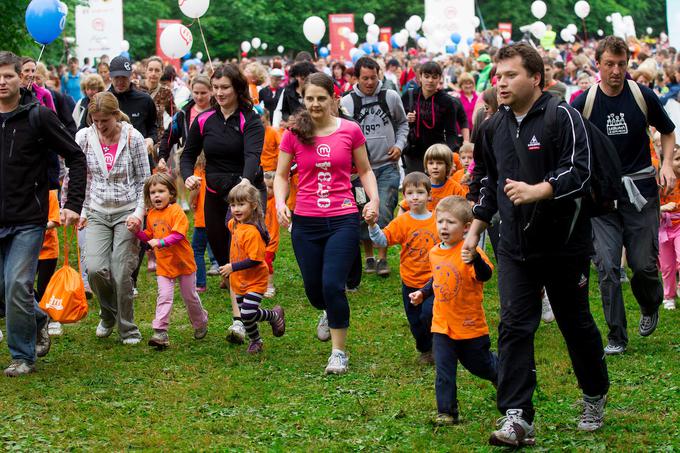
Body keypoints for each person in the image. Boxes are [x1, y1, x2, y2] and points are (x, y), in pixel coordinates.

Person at [464, 43, 609, 445]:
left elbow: (582, 171)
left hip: (564, 245)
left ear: (535, 78)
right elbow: (487, 182)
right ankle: (517, 416)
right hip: (513, 246)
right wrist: (475, 229)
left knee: (574, 324)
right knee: (513, 325)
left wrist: (540, 190)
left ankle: (594, 394)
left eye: (511, 75)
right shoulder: (492, 126)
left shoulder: (563, 116)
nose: (501, 82)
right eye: (498, 75)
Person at [572, 36, 677, 355]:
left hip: (641, 191)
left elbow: (668, 131)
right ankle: (616, 335)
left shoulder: (641, 95)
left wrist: (668, 165)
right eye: (609, 65)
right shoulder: (583, 102)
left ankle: (650, 303)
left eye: (621, 65)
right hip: (601, 196)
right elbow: (570, 141)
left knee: (643, 264)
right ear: (598, 65)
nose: (616, 71)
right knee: (606, 265)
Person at [274, 73, 379, 374]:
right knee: (314, 289)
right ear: (303, 100)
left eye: (322, 98)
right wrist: (281, 204)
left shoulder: (350, 130)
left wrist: (373, 200)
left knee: (333, 285)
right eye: (310, 98)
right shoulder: (293, 132)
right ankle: (326, 310)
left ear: (334, 98)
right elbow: (281, 175)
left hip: (342, 218)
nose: (316, 104)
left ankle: (338, 353)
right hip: (305, 221)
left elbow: (366, 170)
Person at [0, 51, 86, 376]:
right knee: (4, 290)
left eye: (8, 75)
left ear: (22, 78)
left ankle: (22, 356)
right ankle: (38, 317)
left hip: (27, 219)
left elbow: (76, 157)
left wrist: (73, 204)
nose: (2, 81)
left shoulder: (38, 115)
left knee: (18, 285)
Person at [180, 64, 265, 343]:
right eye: (215, 88)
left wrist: (244, 183)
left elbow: (253, 155)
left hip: (243, 194)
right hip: (214, 194)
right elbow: (187, 155)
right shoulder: (203, 120)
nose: (218, 93)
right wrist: (188, 176)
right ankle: (249, 311)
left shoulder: (250, 119)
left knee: (243, 255)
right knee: (225, 258)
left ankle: (240, 318)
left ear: (237, 89)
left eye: (224, 87)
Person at [410, 196, 497, 425]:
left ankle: (504, 376)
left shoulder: (469, 251)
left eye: (450, 222)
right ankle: (447, 412)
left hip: (470, 325)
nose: (444, 227)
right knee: (444, 370)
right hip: (442, 325)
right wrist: (423, 293)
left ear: (466, 227)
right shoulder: (435, 252)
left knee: (480, 365)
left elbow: (485, 275)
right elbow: (438, 277)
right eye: (440, 222)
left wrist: (475, 258)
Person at [76, 91, 150, 345]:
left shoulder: (133, 138)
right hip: (96, 210)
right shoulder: (84, 138)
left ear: (116, 116)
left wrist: (140, 213)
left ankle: (128, 328)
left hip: (126, 211)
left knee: (120, 272)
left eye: (104, 121)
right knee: (95, 269)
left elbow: (144, 181)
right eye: (95, 121)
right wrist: (81, 210)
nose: (99, 126)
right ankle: (108, 314)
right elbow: (80, 177)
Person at [341, 57, 409, 277]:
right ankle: (369, 256)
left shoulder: (390, 97)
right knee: (364, 210)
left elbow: (402, 124)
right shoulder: (348, 102)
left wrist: (399, 145)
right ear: (356, 78)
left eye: (373, 77)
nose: (369, 82)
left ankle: (382, 258)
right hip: (361, 170)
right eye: (365, 78)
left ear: (379, 75)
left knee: (384, 210)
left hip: (387, 166)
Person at [129, 173, 208, 348]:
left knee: (190, 297)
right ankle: (160, 332)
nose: (156, 195)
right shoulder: (150, 215)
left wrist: (161, 242)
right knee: (164, 297)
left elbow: (179, 234)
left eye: (161, 191)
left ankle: (201, 321)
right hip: (164, 265)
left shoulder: (176, 211)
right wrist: (137, 231)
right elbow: (149, 236)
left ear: (171, 194)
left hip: (184, 263)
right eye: (152, 192)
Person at [366, 172, 438, 363]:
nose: (415, 197)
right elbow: (382, 240)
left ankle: (440, 347)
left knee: (429, 314)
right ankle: (425, 349)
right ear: (404, 197)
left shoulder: (438, 220)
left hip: (434, 282)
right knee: (415, 322)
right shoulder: (402, 222)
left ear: (429, 195)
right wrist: (372, 225)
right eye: (410, 193)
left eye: (420, 192)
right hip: (410, 281)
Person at [220, 182, 285, 354]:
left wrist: (232, 267)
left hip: (255, 280)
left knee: (248, 313)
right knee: (246, 315)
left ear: (254, 205)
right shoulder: (234, 224)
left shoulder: (253, 232)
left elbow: (255, 260)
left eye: (241, 204)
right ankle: (256, 340)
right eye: (233, 205)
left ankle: (273, 316)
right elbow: (227, 219)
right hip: (239, 280)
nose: (236, 209)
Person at [402, 62, 469, 174]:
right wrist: (406, 119)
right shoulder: (409, 95)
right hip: (412, 153)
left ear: (439, 78)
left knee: (435, 189)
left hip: (436, 154)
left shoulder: (447, 101)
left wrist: (448, 153)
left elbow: (451, 132)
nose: (430, 80)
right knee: (415, 187)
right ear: (420, 77)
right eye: (426, 76)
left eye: (434, 77)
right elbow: (397, 123)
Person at [399, 144, 466, 213]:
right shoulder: (420, 185)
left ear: (448, 165)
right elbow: (403, 207)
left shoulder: (456, 189)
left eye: (439, 163)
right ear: (426, 165)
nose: (435, 167)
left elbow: (466, 209)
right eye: (431, 163)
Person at [35, 190, 62, 336]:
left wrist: (33, 227)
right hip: (29, 249)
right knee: (23, 284)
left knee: (44, 287)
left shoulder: (50, 192)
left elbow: (55, 220)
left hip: (48, 251)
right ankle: (39, 314)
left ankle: (52, 319)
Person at [658, 145, 680, 310]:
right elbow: (649, 206)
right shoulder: (659, 181)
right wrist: (663, 208)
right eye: (678, 159)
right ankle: (669, 296)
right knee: (667, 265)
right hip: (663, 229)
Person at [272, 60, 317, 127]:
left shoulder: (316, 90)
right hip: (294, 128)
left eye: (308, 78)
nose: (305, 81)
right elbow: (284, 111)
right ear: (296, 76)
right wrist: (288, 117)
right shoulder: (288, 91)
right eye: (302, 78)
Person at [263, 171, 279, 298]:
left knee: (267, 262)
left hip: (271, 240)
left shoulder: (276, 201)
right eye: (265, 187)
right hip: (258, 240)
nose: (267, 190)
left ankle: (269, 286)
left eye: (271, 187)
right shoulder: (255, 202)